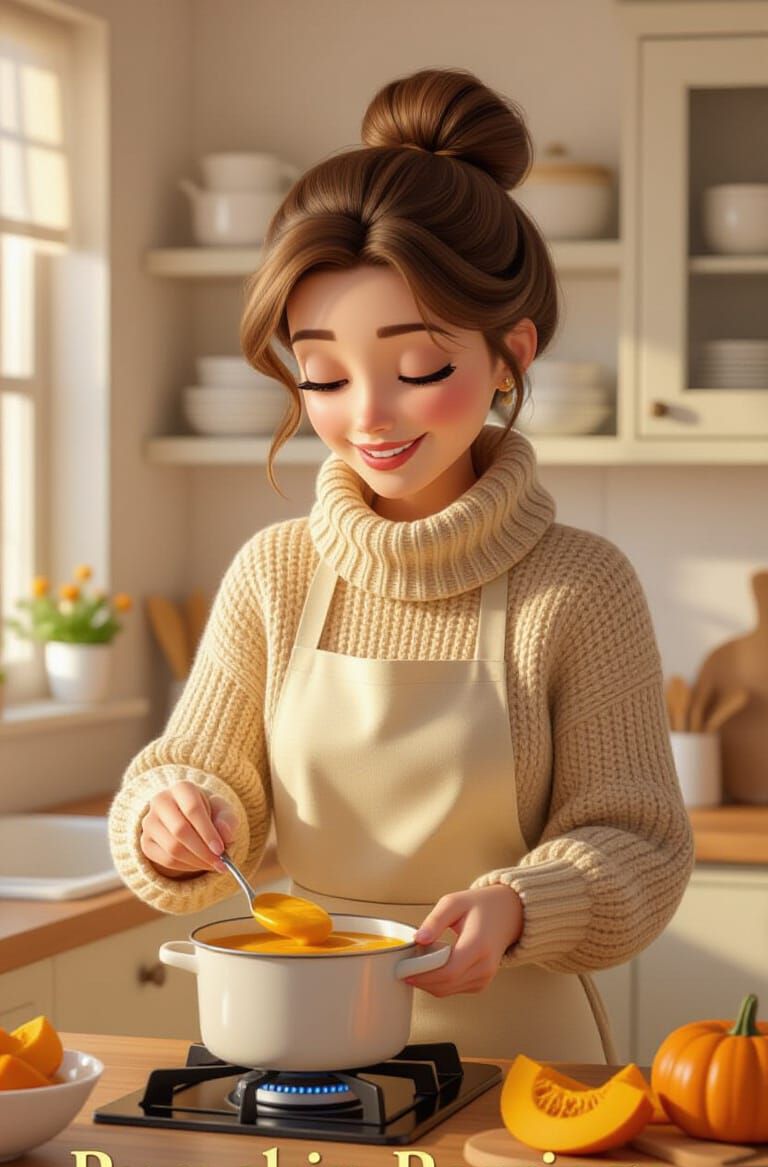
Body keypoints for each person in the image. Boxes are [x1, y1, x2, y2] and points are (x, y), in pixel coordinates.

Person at [108, 67, 694, 1065]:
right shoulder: (275, 573)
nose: (366, 417)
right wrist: (171, 816)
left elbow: (637, 844)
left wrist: (516, 904)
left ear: (511, 353)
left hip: (521, 1065)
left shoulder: (581, 588)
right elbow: (198, 773)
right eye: (323, 375)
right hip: (293, 1047)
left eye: (417, 368)